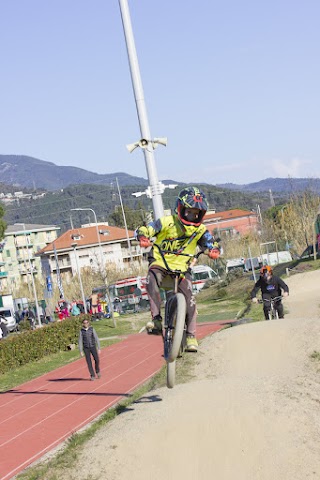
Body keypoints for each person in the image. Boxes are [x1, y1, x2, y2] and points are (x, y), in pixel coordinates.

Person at [135, 186, 220, 352]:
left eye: (197, 214)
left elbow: (211, 242)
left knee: (190, 299)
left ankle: (191, 335)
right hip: (161, 262)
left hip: (182, 268)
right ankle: (157, 319)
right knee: (151, 280)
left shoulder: (200, 230)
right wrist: (143, 236)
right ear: (180, 209)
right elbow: (147, 228)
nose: (192, 216)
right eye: (189, 212)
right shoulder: (167, 222)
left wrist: (214, 250)